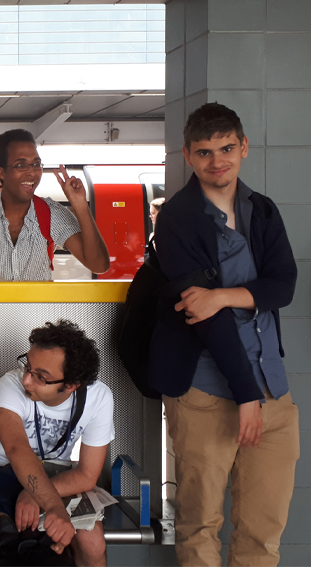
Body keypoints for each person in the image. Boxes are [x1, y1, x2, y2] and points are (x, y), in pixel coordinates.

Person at [150, 103, 298, 566]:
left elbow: (283, 286)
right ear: (188, 156)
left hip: (273, 392)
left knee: (263, 532)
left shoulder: (263, 210)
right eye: (205, 151)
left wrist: (223, 295)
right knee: (199, 529)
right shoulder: (176, 219)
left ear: (244, 147)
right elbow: (204, 318)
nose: (218, 161)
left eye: (227, 148)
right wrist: (245, 396)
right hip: (208, 392)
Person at [0, 320, 113, 566]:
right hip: (2, 471)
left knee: (92, 543)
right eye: (28, 366)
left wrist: (35, 494)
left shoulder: (98, 397)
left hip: (57, 476)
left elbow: (87, 475)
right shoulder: (9, 386)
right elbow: (17, 450)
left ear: (70, 385)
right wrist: (50, 504)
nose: (27, 380)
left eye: (41, 376)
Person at [0, 129, 110, 281]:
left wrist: (80, 205)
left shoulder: (51, 213)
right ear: (1, 172)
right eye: (20, 165)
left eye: (36, 164)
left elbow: (99, 265)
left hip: (37, 311)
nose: (32, 172)